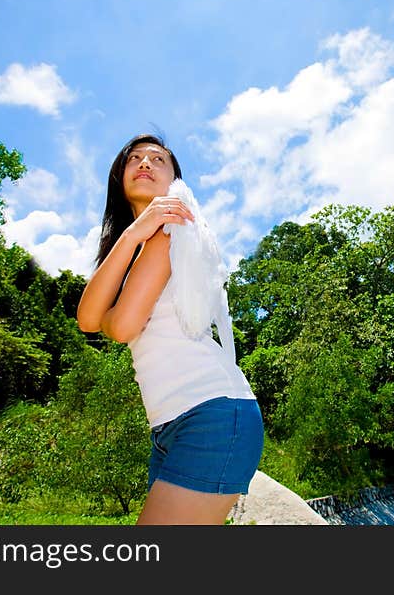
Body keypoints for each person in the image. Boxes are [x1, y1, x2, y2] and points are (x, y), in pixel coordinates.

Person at [76, 133, 263, 525]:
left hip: (209, 413)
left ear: (175, 181)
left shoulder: (170, 229)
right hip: (169, 424)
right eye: (135, 158)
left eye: (158, 160)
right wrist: (129, 236)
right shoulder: (138, 241)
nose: (145, 163)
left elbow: (123, 326)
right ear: (119, 176)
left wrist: (117, 312)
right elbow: (88, 320)